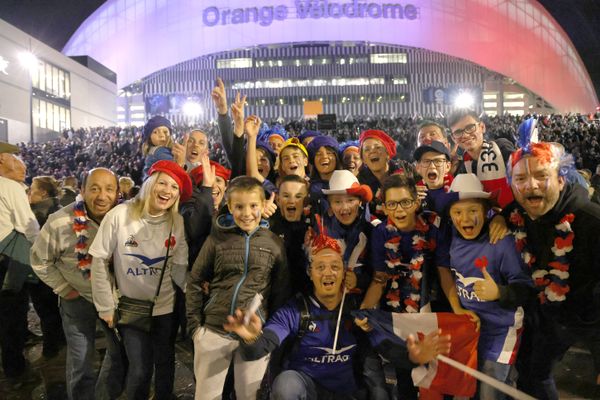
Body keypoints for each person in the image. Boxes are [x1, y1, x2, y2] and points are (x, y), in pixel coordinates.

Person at [223, 228, 451, 400]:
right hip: (306, 389)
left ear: (344, 273)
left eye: (334, 266)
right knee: (285, 384)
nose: (327, 273)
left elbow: (388, 350)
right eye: (319, 267)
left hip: (349, 394)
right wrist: (251, 337)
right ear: (310, 274)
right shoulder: (295, 310)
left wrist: (414, 357)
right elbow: (258, 349)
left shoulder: (358, 311)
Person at [506, 141, 600, 399]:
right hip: (546, 316)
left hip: (590, 318)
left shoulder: (591, 221)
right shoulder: (516, 215)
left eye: (541, 176)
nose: (530, 185)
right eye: (521, 178)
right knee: (532, 373)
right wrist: (493, 219)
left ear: (560, 180)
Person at [90, 160, 191, 400]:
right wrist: (105, 305)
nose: (167, 191)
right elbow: (99, 260)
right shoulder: (119, 214)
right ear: (149, 183)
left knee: (166, 363)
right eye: (163, 183)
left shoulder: (176, 221)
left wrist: (195, 291)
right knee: (140, 369)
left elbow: (179, 266)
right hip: (131, 308)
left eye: (174, 187)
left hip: (165, 308)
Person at [186, 176, 291, 400]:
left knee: (250, 395)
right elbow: (195, 279)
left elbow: (280, 291)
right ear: (230, 207)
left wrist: (265, 331)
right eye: (239, 206)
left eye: (253, 206)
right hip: (214, 329)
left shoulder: (274, 243)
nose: (247, 213)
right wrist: (196, 328)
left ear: (263, 206)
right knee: (206, 396)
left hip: (253, 334)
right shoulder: (217, 239)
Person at [31, 168, 126, 400]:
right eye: (94, 188)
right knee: (81, 358)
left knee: (118, 355)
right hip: (76, 299)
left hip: (114, 300)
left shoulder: (124, 220)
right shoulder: (60, 221)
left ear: (117, 194)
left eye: (109, 189)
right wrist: (65, 289)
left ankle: (104, 396)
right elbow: (40, 260)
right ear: (81, 191)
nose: (102, 196)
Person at [438, 173, 532, 400]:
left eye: (472, 210)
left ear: (486, 211)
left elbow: (526, 289)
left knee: (490, 391)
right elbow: (445, 271)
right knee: (464, 390)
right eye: (458, 212)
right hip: (469, 330)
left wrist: (499, 292)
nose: (465, 218)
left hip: (501, 330)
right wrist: (457, 309)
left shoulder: (501, 241)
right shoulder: (451, 235)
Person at [358, 173, 451, 399]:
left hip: (433, 311)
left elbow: (444, 271)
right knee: (405, 378)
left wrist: (460, 311)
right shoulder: (381, 233)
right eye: (392, 204)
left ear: (416, 202)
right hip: (398, 313)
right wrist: (365, 309)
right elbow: (380, 277)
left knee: (438, 382)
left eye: (405, 202)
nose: (399, 210)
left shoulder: (433, 227)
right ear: (385, 207)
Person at [0, 143, 39, 383]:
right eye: (14, 159)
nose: (20, 164)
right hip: (8, 259)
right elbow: (29, 225)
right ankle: (15, 368)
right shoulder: (9, 186)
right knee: (11, 313)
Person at [27, 175, 65, 359]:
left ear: (42, 193)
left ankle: (51, 349)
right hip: (54, 270)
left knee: (47, 310)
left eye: (32, 190)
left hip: (45, 271)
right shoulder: (56, 209)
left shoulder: (41, 214)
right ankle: (59, 342)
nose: (29, 193)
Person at [448, 109, 515, 208]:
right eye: (458, 132)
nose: (465, 135)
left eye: (470, 127)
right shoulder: (462, 167)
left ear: (482, 127)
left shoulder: (502, 148)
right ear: (453, 138)